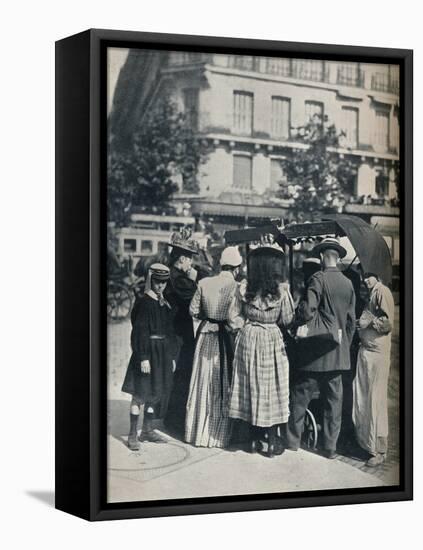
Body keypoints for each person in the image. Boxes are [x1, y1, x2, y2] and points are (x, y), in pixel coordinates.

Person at [286, 237, 356, 459]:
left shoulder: (318, 278)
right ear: (336, 257)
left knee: (300, 395)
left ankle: (292, 442)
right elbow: (351, 322)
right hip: (338, 354)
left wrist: (298, 318)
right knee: (333, 403)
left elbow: (308, 312)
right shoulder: (348, 283)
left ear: (325, 256)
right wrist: (344, 343)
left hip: (315, 353)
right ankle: (329, 448)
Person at [228, 242, 295, 458]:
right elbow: (287, 319)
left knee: (250, 386)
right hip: (271, 339)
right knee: (272, 387)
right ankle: (273, 442)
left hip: (249, 338)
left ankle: (253, 440)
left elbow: (233, 316)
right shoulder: (282, 290)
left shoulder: (245, 287)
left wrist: (243, 326)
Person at [185, 247, 242, 448]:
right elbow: (234, 320)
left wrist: (207, 316)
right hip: (222, 339)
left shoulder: (204, 282)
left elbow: (193, 309)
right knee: (219, 382)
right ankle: (216, 435)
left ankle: (196, 432)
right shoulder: (236, 287)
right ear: (236, 268)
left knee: (201, 380)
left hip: (205, 336)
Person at [121, 264, 179, 451]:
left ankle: (147, 430)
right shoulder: (144, 302)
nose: (160, 286)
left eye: (163, 282)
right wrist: (143, 357)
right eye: (157, 281)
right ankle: (132, 434)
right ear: (150, 280)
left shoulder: (164, 302)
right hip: (146, 353)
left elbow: (170, 332)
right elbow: (139, 332)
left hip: (161, 354)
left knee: (155, 393)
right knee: (140, 394)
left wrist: (170, 356)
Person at [352, 272, 395, 466]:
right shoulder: (370, 293)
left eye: (369, 276)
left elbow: (387, 324)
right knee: (363, 399)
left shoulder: (382, 291)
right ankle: (366, 444)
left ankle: (379, 450)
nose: (365, 279)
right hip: (366, 351)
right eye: (363, 276)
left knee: (375, 400)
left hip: (377, 354)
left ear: (377, 276)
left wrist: (369, 321)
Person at [164, 228, 200, 435]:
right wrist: (196, 279)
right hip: (178, 333)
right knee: (182, 375)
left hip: (174, 330)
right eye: (190, 259)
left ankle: (169, 417)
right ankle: (175, 421)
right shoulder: (178, 279)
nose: (191, 263)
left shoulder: (169, 274)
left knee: (178, 375)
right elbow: (197, 298)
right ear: (182, 259)